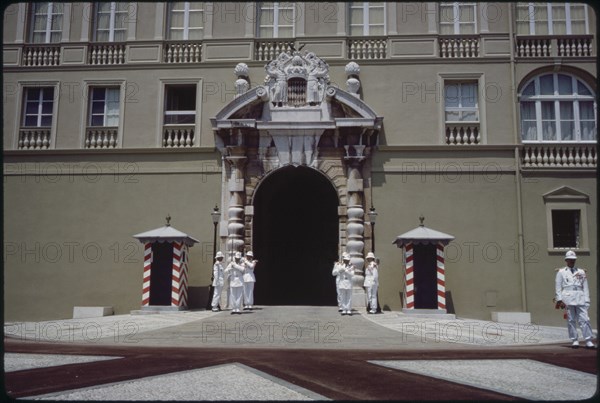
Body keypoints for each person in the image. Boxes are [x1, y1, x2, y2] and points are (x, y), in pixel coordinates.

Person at [555, 250, 595, 348]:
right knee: (571, 319)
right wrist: (559, 300)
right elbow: (558, 286)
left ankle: (588, 340)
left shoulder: (581, 271)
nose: (572, 261)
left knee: (585, 319)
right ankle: (575, 340)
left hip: (580, 297)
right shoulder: (561, 272)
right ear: (566, 260)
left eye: (573, 259)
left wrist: (587, 299)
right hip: (568, 297)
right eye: (570, 259)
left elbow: (585, 287)